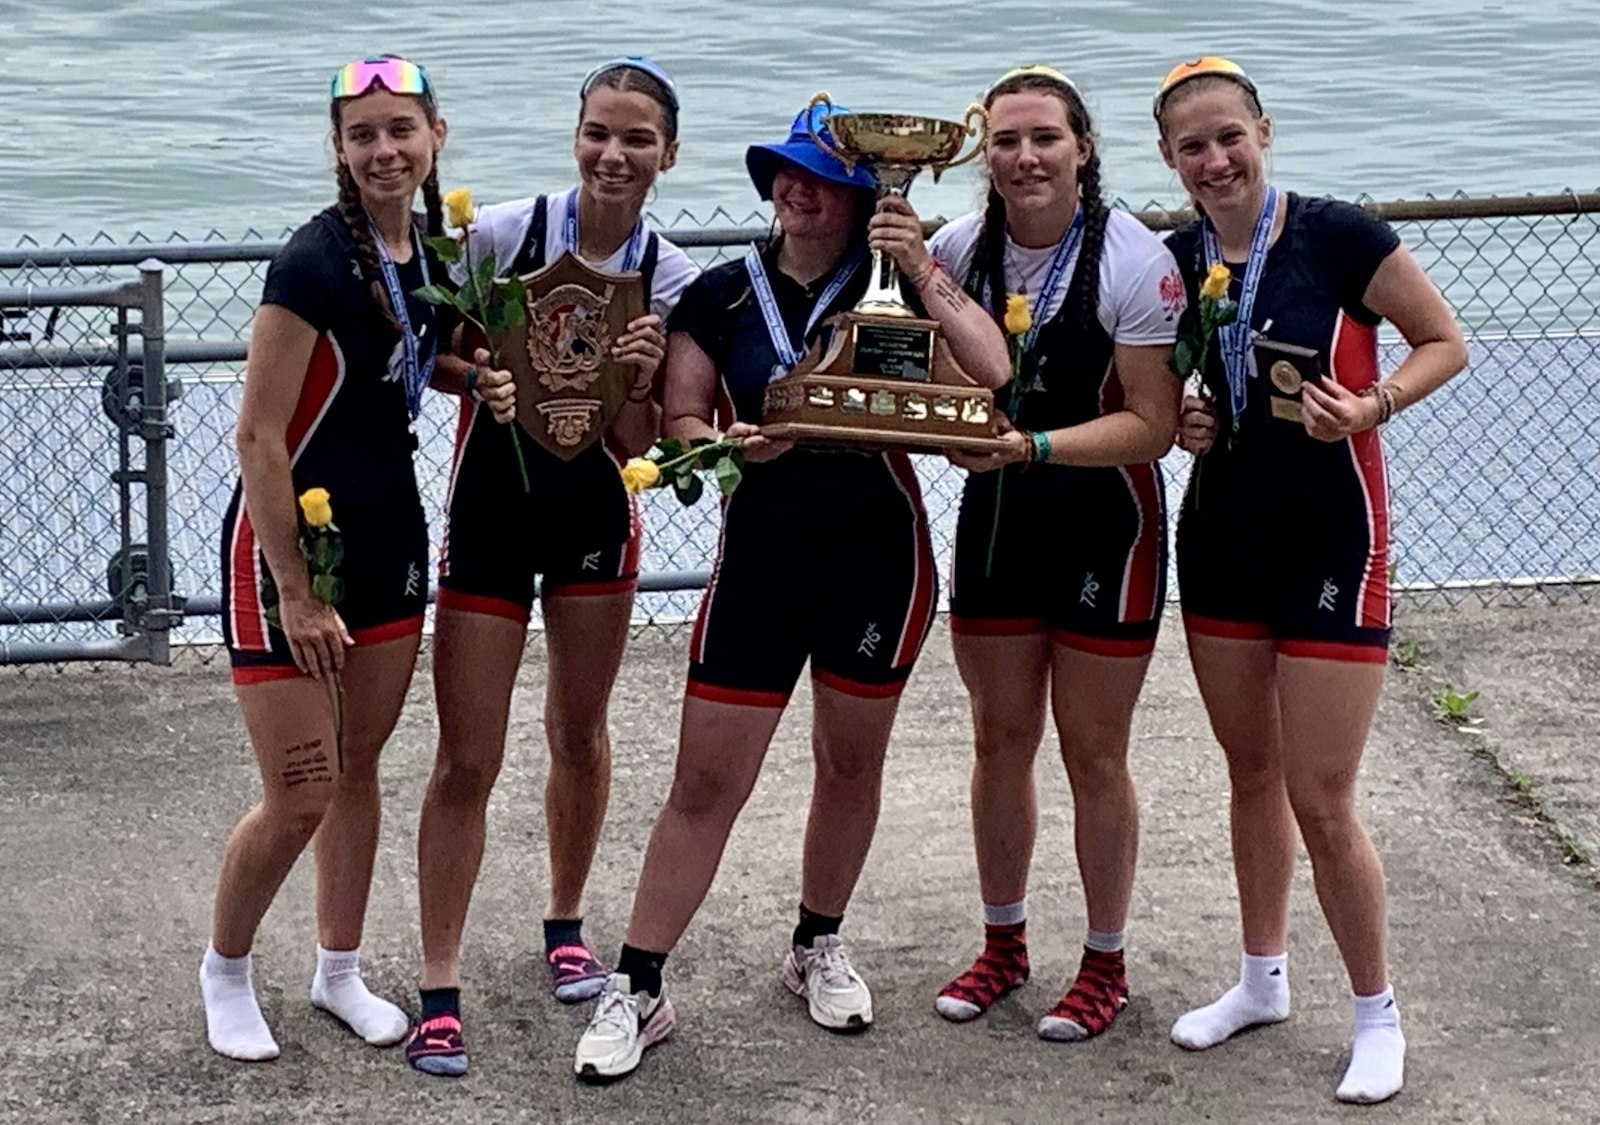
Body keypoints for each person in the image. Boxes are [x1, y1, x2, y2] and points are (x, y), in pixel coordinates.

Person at [571, 100, 1012, 1082]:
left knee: (848, 770)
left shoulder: (898, 283)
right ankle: (638, 984)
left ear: (865, 196)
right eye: (783, 173)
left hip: (879, 562)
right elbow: (680, 422)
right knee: (703, 785)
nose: (796, 190)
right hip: (760, 563)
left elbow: (991, 375)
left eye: (819, 177)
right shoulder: (722, 297)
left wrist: (928, 271)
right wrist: (726, 449)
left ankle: (815, 942)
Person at [1153, 57, 1468, 1104]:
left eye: (1228, 136)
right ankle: (1258, 981)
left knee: (1320, 795)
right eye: (1192, 146)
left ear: (1264, 132)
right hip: (1222, 540)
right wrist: (1189, 420)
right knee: (1250, 774)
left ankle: (1376, 1013)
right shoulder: (1175, 254)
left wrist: (1372, 408)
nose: (1214, 159)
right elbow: (1187, 391)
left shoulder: (1338, 236)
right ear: (1169, 159)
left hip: (1336, 539)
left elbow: (1443, 343)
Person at [203, 55, 514, 1062]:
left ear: (435, 138)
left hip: (391, 542)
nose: (384, 149)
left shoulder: (423, 252)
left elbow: (413, 361)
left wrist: (481, 379)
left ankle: (339, 971)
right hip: (291, 551)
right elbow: (258, 436)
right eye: (362, 134)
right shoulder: (311, 263)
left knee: (360, 768)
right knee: (301, 788)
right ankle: (227, 970)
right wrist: (293, 591)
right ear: (339, 149)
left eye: (400, 130)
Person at [407, 56, 698, 1078]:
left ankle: (565, 921)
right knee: (466, 756)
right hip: (491, 508)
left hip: (592, 517)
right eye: (598, 134)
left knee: (577, 732)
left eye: (636, 139)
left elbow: (640, 444)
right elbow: (430, 353)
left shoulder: (670, 275)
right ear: (574, 136)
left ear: (669, 153)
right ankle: (437, 980)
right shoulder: (497, 236)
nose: (614, 155)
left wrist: (638, 375)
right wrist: (476, 375)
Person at [925, 65, 1185, 1043]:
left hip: (1104, 528)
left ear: (1082, 148)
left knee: (1092, 751)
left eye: (1045, 138)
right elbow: (946, 383)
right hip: (996, 527)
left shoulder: (1132, 259)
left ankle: (1105, 962)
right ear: (981, 156)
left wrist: (1030, 447)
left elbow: (1152, 425)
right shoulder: (952, 250)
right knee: (998, 741)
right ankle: (1003, 945)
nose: (1026, 157)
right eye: (1005, 141)